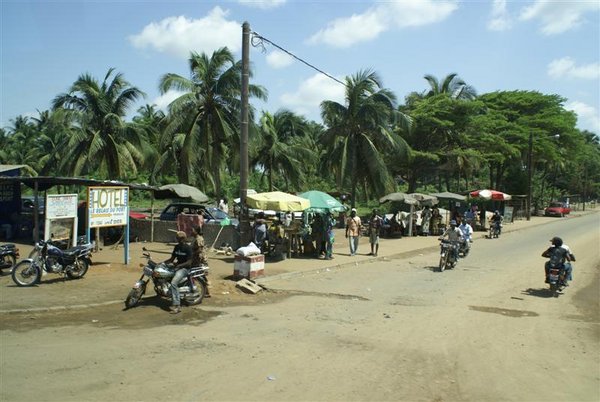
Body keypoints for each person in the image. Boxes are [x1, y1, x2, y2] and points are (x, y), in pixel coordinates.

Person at [163, 231, 193, 314]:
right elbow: (172, 259)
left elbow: (189, 262)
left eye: (179, 238)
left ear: (183, 239)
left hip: (185, 269)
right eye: (177, 238)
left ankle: (177, 306)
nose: (177, 240)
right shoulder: (176, 247)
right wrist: (162, 263)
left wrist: (179, 265)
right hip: (177, 266)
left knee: (173, 283)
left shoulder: (188, 248)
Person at [191, 226, 210, 297]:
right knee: (199, 275)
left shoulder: (199, 238)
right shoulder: (195, 239)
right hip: (196, 260)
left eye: (192, 230)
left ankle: (206, 292)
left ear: (196, 231)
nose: (191, 231)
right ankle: (206, 291)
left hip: (200, 261)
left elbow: (199, 250)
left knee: (201, 275)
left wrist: (191, 254)